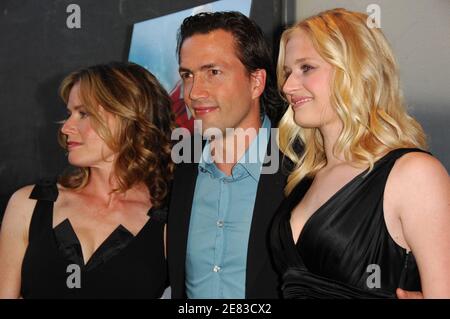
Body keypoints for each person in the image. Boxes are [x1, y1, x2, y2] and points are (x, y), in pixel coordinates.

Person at [270, 8, 450, 298]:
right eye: (288, 72)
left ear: (354, 70)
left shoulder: (413, 174)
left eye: (306, 68)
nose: (288, 86)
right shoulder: (307, 177)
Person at [0, 62, 174, 298]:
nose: (66, 128)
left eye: (83, 113)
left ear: (126, 117)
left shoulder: (169, 220)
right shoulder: (29, 204)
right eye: (69, 113)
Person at [167, 11, 287, 299]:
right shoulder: (181, 169)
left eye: (213, 72)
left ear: (256, 82)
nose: (194, 93)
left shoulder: (304, 171)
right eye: (187, 75)